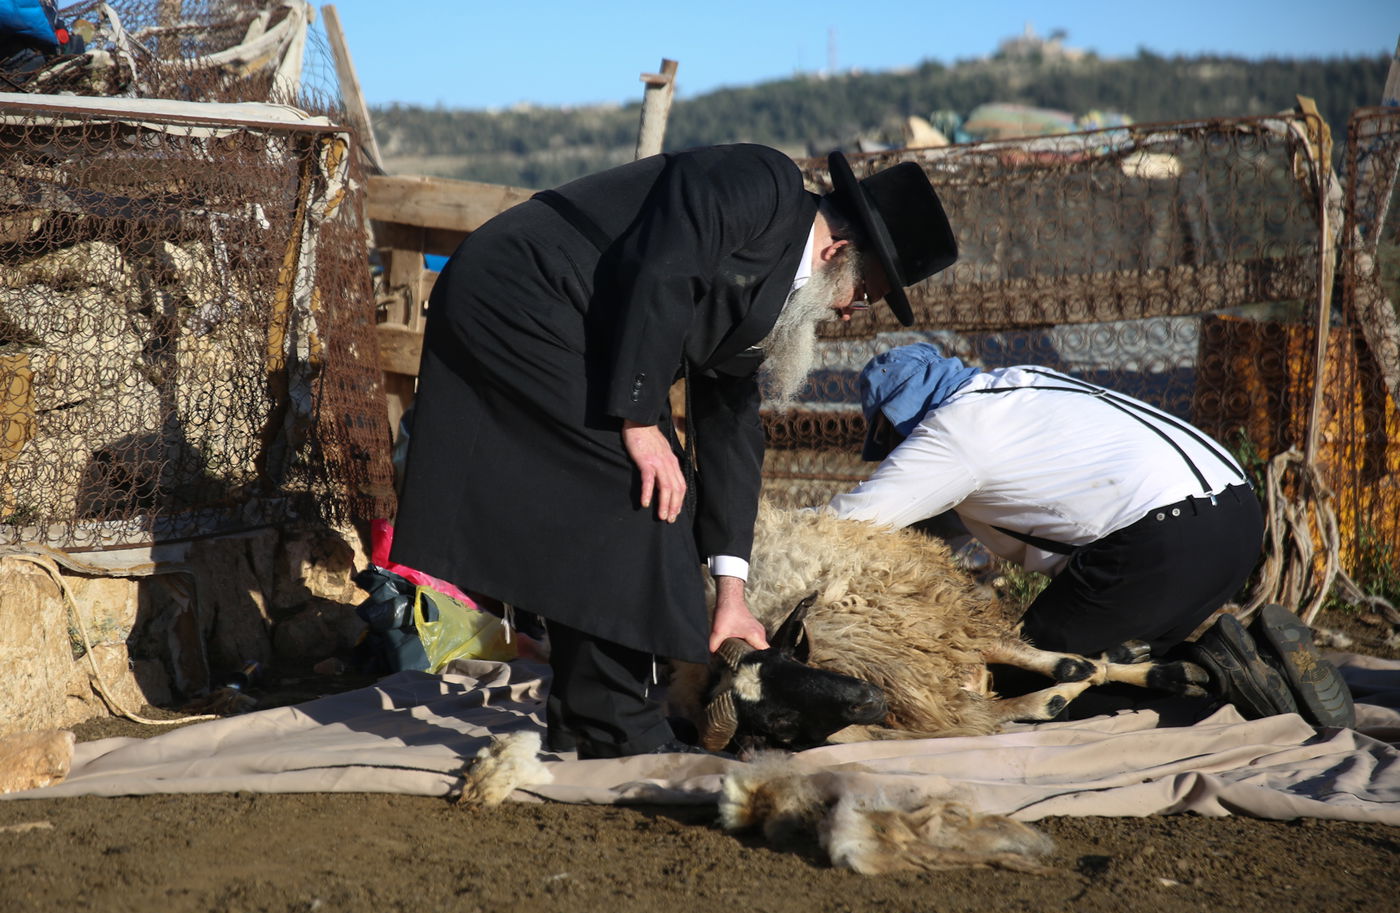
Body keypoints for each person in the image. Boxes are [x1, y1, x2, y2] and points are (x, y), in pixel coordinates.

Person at [390, 145, 958, 758]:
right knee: (630, 487)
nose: (850, 312)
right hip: (523, 292)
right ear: (839, 253)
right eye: (866, 292)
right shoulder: (760, 182)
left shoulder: (769, 300)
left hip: (590, 336)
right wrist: (637, 421)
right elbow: (663, 268)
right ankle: (616, 725)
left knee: (661, 496)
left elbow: (732, 431)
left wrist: (731, 594)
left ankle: (597, 718)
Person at [826, 342, 1354, 728]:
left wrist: (752, 549)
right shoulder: (1019, 383)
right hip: (1235, 512)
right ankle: (1255, 659)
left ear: (899, 423)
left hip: (1159, 541)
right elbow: (941, 515)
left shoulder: (952, 433)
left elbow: (847, 524)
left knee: (1026, 683)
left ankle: (1218, 675)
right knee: (1123, 659)